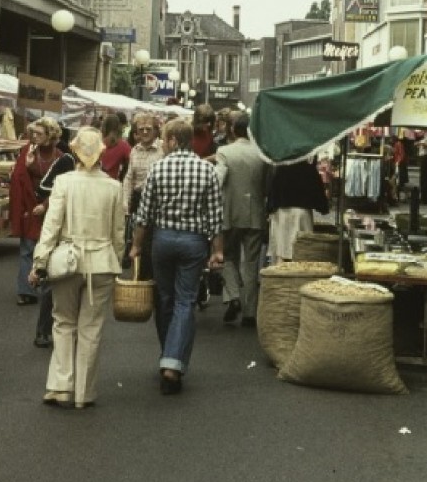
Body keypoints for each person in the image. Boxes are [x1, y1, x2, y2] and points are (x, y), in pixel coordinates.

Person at [28, 127, 124, 409]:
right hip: (102, 262)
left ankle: (60, 387)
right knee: (91, 329)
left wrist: (40, 262)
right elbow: (119, 232)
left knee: (63, 322)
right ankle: (84, 392)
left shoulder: (64, 183)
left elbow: (51, 226)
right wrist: (116, 263)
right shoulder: (114, 186)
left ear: (75, 152)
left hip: (67, 260)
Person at [130, 117, 223, 396]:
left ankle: (167, 355)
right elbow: (216, 217)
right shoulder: (207, 170)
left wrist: (136, 246)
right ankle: (173, 362)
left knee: (165, 298)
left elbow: (143, 215)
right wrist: (217, 250)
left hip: (163, 240)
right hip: (194, 243)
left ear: (172, 140)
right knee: (185, 301)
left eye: (165, 139)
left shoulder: (157, 169)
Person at [215, 112, 269, 327]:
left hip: (230, 213)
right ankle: (250, 312)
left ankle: (234, 295)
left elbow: (218, 180)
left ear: (232, 130)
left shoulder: (225, 152)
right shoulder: (261, 154)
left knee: (228, 256)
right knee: (251, 263)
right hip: (255, 213)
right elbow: (266, 185)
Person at [9, 117, 63, 305]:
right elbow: (18, 178)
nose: (34, 136)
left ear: (50, 135)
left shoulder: (60, 157)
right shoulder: (27, 151)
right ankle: (26, 290)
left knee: (49, 249)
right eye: (33, 133)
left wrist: (46, 205)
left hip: (51, 208)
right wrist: (28, 165)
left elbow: (62, 186)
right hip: (30, 207)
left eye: (39, 133)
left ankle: (48, 289)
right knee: (27, 248)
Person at [32, 146, 78, 348]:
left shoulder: (98, 172)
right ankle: (43, 331)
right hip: (63, 231)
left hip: (82, 234)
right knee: (52, 281)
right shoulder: (67, 161)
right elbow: (42, 187)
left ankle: (69, 331)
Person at [122, 113, 164, 276]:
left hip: (158, 201)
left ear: (156, 131)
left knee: (153, 243)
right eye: (141, 130)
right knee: (138, 243)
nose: (145, 132)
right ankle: (142, 281)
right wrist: (125, 202)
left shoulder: (162, 149)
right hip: (139, 201)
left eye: (149, 129)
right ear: (136, 133)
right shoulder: (134, 151)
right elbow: (129, 177)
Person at [267, 158, 329, 265]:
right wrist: (323, 208)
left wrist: (269, 210)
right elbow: (319, 196)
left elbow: (272, 192)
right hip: (302, 214)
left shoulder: (280, 168)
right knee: (302, 253)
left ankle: (278, 278)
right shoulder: (309, 170)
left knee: (281, 252)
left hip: (282, 214)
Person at [100, 113, 131, 181]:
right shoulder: (124, 146)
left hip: (96, 180)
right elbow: (131, 163)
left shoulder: (97, 142)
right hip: (114, 182)